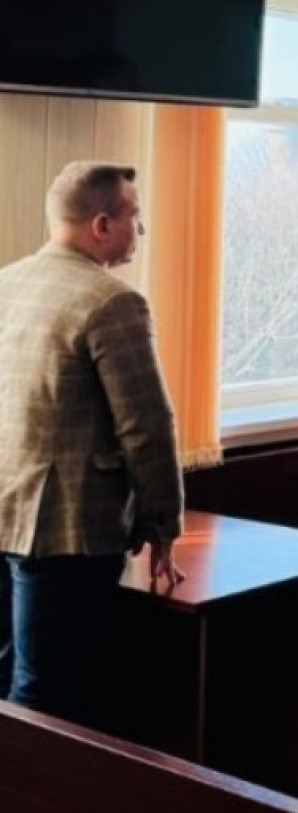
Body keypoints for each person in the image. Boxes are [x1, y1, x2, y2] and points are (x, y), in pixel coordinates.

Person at [0, 161, 183, 730]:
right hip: (68, 528)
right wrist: (162, 524)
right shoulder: (113, 302)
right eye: (136, 217)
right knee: (49, 694)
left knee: (10, 679)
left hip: (5, 509)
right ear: (102, 224)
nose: (141, 230)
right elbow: (146, 426)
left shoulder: (7, 283)